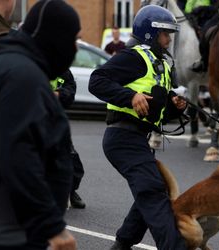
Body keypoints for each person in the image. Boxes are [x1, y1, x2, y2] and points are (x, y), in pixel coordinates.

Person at [89, 5, 187, 250]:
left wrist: (175, 106)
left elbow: (157, 113)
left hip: (137, 139)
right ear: (150, 34)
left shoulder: (160, 66)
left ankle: (123, 243)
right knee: (153, 190)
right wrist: (130, 96)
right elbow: (97, 80)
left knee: (153, 189)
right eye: (165, 33)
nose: (169, 39)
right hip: (122, 138)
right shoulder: (134, 56)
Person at [0, 0, 80, 249]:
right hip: (11, 230)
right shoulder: (23, 76)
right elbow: (18, 155)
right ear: (54, 37)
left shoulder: (10, 63)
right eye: (73, 39)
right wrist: (52, 226)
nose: (74, 48)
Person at [50, 70, 88, 209]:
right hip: (30, 121)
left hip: (55, 122)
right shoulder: (31, 63)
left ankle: (70, 192)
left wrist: (59, 94)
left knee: (74, 163)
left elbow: (70, 92)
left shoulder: (62, 68)